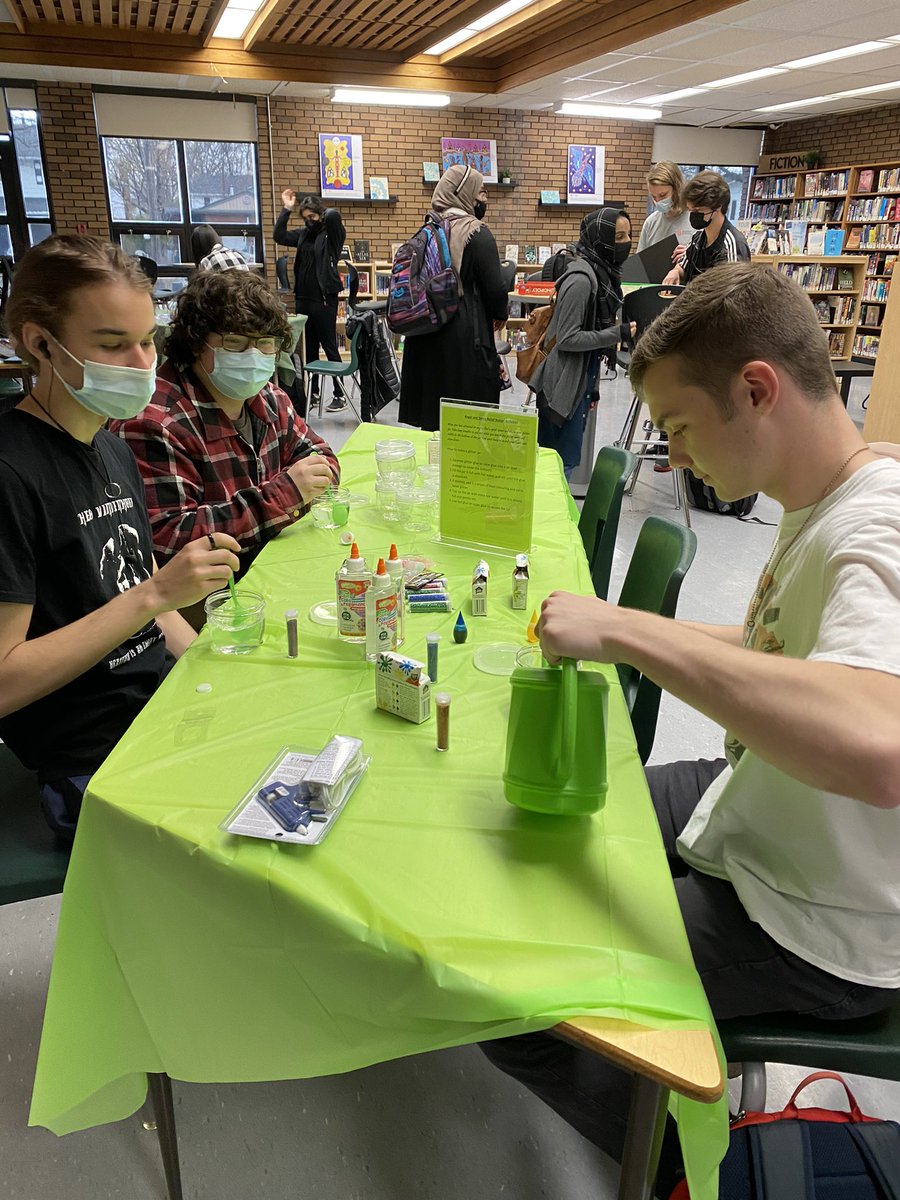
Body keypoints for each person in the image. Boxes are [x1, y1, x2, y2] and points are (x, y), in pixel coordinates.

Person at [481, 262, 900, 1194]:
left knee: (501, 986)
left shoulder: (877, 524)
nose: (671, 456)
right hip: (757, 817)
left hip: (817, 923)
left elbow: (880, 747)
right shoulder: (822, 497)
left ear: (757, 389)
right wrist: (630, 637)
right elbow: (770, 650)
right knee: (571, 813)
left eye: (676, 428)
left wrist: (626, 629)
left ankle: (673, 1165)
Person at [0, 235, 241, 839]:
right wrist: (154, 596)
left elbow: (140, 593)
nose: (141, 365)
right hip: (88, 756)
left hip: (155, 706)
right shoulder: (11, 473)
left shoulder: (111, 446)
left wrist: (219, 670)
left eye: (147, 340)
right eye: (112, 344)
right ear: (39, 343)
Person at [112, 269, 339, 579]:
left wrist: (294, 489)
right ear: (196, 342)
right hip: (208, 599)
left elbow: (323, 458)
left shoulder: (270, 398)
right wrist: (283, 495)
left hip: (271, 563)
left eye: (265, 343)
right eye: (234, 342)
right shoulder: (155, 423)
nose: (253, 355)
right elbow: (170, 541)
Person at [398, 164, 508, 431]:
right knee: (466, 428)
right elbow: (496, 289)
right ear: (465, 193)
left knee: (433, 425)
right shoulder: (477, 233)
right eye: (481, 191)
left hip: (425, 335)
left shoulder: (428, 229)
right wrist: (500, 315)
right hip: (463, 341)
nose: (485, 198)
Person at [532, 207, 635, 479]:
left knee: (564, 461)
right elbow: (568, 339)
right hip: (561, 389)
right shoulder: (581, 280)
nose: (625, 244)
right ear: (599, 239)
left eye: (628, 236)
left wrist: (594, 389)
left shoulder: (601, 276)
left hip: (577, 383)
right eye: (618, 237)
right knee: (557, 465)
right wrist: (618, 333)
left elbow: (589, 345)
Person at [273, 190, 347, 412]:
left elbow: (333, 215)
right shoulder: (303, 235)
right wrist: (287, 209)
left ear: (320, 215)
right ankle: (313, 394)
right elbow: (279, 236)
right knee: (309, 349)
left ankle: (339, 394)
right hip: (303, 299)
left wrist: (323, 215)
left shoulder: (331, 234)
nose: (309, 221)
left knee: (329, 346)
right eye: (305, 217)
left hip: (324, 300)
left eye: (312, 217)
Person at [664, 170, 751, 286]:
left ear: (718, 206)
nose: (693, 215)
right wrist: (675, 272)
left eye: (698, 211)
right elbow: (683, 264)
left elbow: (731, 295)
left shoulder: (732, 246)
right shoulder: (698, 238)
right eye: (690, 210)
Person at [636, 161, 695, 267]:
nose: (658, 201)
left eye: (663, 195)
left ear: (677, 189)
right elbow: (639, 266)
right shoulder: (651, 222)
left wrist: (690, 256)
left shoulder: (695, 220)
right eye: (654, 197)